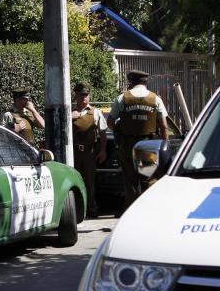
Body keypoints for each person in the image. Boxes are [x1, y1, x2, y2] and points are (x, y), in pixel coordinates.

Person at [106, 70, 169, 210]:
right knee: (147, 178)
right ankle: (149, 212)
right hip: (148, 145)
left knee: (130, 182)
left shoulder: (122, 98)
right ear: (145, 82)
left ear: (131, 82)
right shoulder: (155, 99)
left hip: (127, 146)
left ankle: (130, 213)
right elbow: (164, 127)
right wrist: (165, 146)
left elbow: (110, 122)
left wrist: (119, 129)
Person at [71, 82, 107, 218]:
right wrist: (70, 117)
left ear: (89, 96)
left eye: (86, 95)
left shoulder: (96, 112)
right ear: (76, 96)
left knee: (90, 182)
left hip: (89, 152)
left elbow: (102, 133)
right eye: (81, 95)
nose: (84, 98)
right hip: (73, 153)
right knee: (74, 182)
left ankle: (91, 209)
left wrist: (103, 151)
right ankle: (77, 211)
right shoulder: (70, 112)